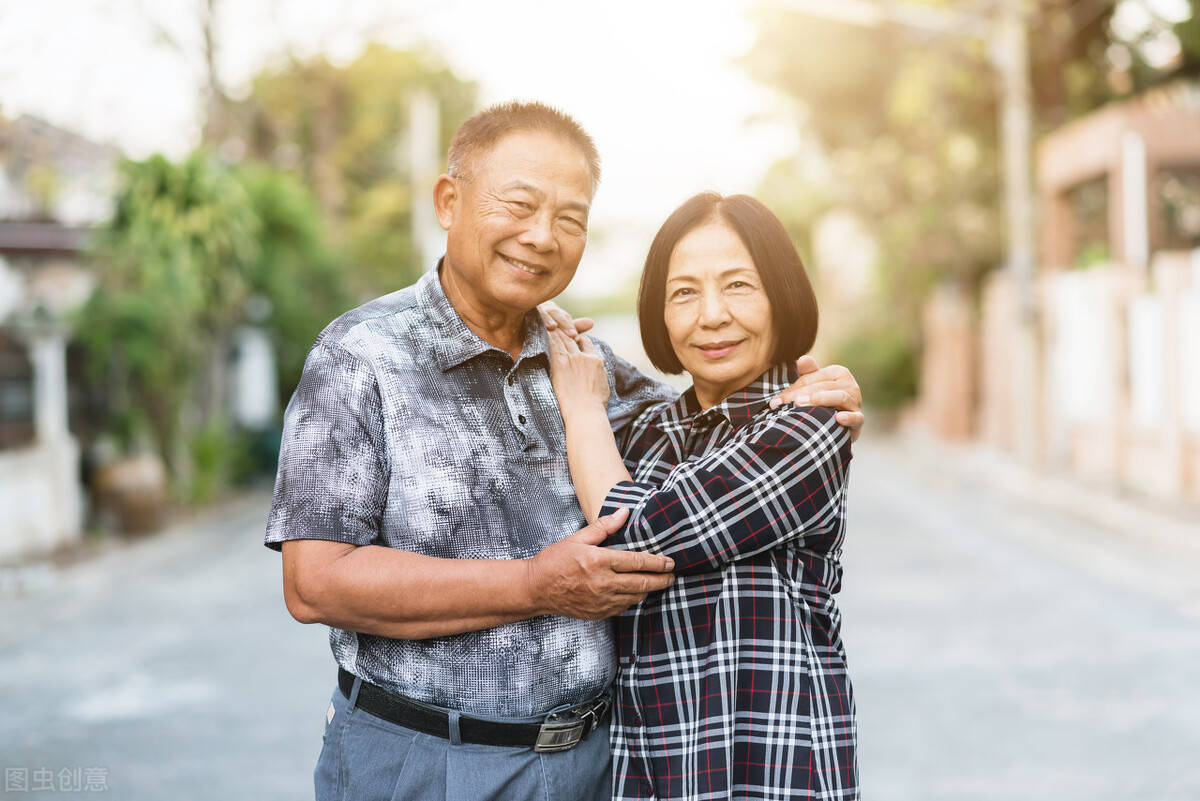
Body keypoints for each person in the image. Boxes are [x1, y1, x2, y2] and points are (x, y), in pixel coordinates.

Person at [265, 101, 865, 801]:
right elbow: (314, 585)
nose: (542, 236)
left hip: (597, 766)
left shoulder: (589, 369)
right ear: (449, 201)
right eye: (518, 204)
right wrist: (534, 585)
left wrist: (823, 389)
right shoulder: (361, 356)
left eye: (571, 219)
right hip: (426, 759)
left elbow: (711, 407)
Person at [547, 192, 858, 799]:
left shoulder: (809, 427)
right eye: (684, 293)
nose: (711, 315)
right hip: (649, 775)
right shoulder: (642, 432)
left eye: (739, 285)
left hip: (769, 773)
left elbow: (633, 535)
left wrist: (583, 408)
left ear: (781, 295)